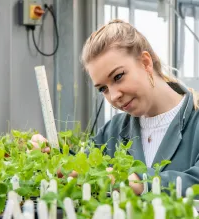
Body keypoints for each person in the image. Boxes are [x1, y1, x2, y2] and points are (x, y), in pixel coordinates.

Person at [31, 19, 199, 196]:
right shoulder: (114, 131)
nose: (114, 96)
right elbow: (80, 168)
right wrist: (52, 155)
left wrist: (132, 182)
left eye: (118, 77)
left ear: (145, 62)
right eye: (103, 89)